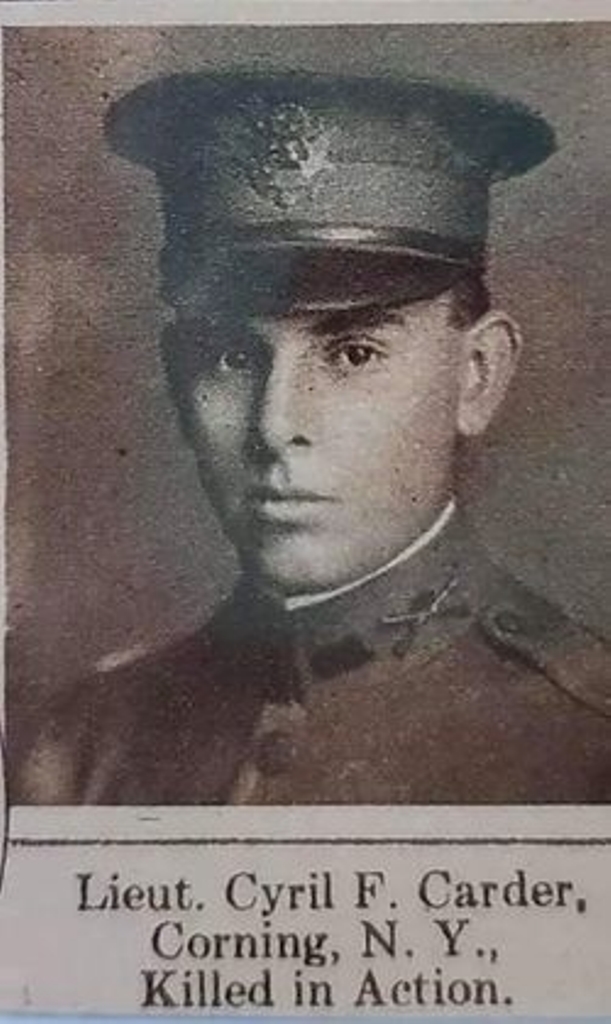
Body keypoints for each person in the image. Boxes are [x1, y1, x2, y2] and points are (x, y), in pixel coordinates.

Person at [11, 71, 611, 805]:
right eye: (232, 357)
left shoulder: (586, 743)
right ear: (175, 375)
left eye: (352, 353)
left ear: (476, 376)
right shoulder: (76, 751)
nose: (273, 425)